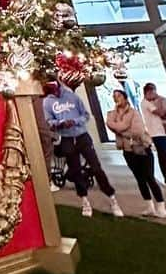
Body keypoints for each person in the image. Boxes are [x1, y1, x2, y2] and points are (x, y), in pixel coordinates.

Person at [42, 79, 123, 217]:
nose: (53, 91)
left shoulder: (72, 96)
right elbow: (49, 121)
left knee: (96, 168)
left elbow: (85, 115)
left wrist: (75, 121)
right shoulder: (47, 102)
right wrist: (59, 123)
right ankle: (85, 201)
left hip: (82, 136)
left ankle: (112, 198)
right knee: (75, 170)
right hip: (66, 139)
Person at [105, 88, 166, 218]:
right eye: (114, 96)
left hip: (141, 148)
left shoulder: (134, 113)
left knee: (149, 177)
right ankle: (149, 206)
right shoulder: (112, 114)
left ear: (125, 98)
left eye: (119, 96)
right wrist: (122, 127)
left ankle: (161, 206)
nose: (116, 98)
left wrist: (121, 129)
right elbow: (110, 124)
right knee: (139, 178)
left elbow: (137, 131)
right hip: (127, 150)